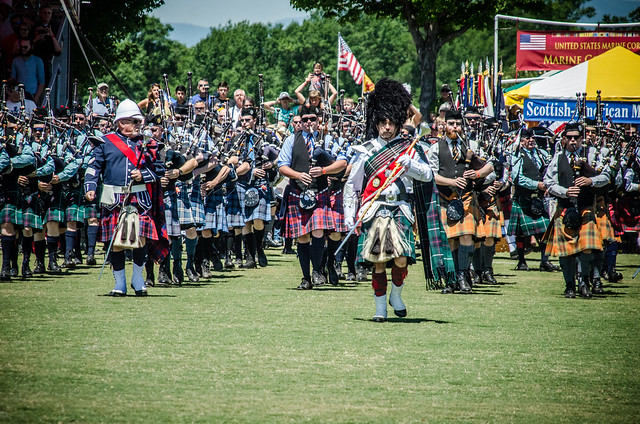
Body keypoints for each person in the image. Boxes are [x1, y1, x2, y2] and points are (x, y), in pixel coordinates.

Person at [343, 78, 433, 321]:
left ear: (396, 123)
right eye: (382, 123)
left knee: (402, 257)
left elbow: (427, 175)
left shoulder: (408, 147)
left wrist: (410, 164)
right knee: (379, 262)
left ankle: (396, 296)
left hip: (400, 208)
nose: (386, 127)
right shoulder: (366, 150)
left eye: (391, 123)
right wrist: (350, 216)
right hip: (375, 210)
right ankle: (380, 309)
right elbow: (352, 186)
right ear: (377, 123)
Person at [84, 99, 168, 296]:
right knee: (116, 243)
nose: (138, 125)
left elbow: (160, 170)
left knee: (139, 240)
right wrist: (90, 187)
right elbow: (93, 167)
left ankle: (138, 279)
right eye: (133, 121)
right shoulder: (105, 142)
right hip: (113, 200)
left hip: (138, 199)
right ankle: (119, 283)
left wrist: (143, 175)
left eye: (139, 121)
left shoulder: (149, 143)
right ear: (121, 122)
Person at [277, 105, 346, 289]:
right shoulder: (292, 139)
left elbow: (343, 163)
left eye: (312, 119)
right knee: (302, 236)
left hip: (320, 192)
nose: (309, 122)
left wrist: (324, 170)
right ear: (300, 121)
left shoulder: (329, 139)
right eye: (305, 119)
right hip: (298, 192)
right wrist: (298, 175)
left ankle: (318, 270)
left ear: (319, 121)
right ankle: (306, 278)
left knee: (317, 232)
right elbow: (282, 166)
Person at [426, 109, 494, 294]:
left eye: (458, 124)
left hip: (466, 198)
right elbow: (431, 175)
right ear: (444, 125)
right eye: (451, 124)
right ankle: (452, 278)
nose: (455, 128)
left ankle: (463, 276)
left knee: (466, 237)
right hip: (445, 198)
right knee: (450, 241)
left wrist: (478, 173)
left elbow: (491, 168)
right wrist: (452, 182)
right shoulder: (435, 148)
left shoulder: (471, 145)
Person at [543, 122, 610, 299]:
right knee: (566, 250)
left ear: (582, 139)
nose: (573, 141)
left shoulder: (592, 155)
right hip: (565, 208)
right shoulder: (557, 158)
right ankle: (569, 285)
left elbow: (607, 176)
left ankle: (584, 283)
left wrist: (591, 181)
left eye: (576, 138)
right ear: (564, 139)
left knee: (586, 248)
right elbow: (549, 183)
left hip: (586, 208)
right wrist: (564, 191)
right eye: (569, 138)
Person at [508, 128, 559, 272]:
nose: (531, 140)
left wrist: (549, 184)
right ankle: (522, 262)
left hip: (539, 199)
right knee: (521, 233)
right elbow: (518, 178)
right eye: (527, 138)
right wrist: (537, 185)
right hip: (523, 198)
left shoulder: (541, 154)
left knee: (544, 231)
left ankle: (544, 261)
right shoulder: (517, 155)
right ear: (521, 140)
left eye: (532, 137)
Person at [10, 38, 44, 104]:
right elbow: (13, 79)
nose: (23, 49)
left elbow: (41, 82)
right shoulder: (16, 61)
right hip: (19, 95)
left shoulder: (38, 61)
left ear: (31, 47)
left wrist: (36, 98)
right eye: (21, 47)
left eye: (25, 47)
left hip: (32, 95)